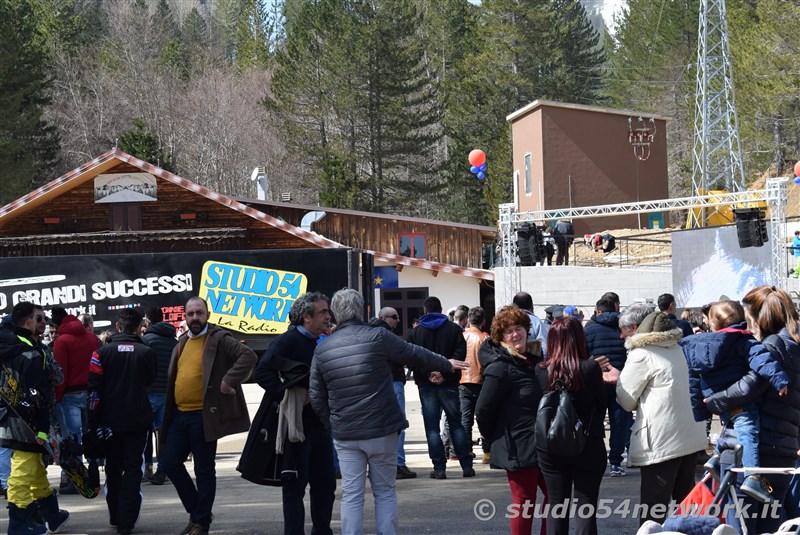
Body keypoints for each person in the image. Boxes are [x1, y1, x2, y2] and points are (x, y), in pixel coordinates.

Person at [310, 289, 468, 535]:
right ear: (362, 309)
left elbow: (317, 395)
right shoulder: (378, 337)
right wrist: (446, 364)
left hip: (346, 433)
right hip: (382, 428)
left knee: (352, 494)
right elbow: (414, 353)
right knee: (384, 491)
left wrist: (332, 424)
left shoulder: (323, 349)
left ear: (335, 314)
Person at [704, 286, 800, 533]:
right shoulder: (795, 345)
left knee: (741, 526)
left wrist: (715, 400)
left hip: (750, 455)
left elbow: (747, 388)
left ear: (758, 317)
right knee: (771, 526)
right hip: (782, 454)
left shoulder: (769, 347)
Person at [160, 297, 258, 535]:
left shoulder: (218, 338)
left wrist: (228, 381)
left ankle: (200, 523)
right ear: (185, 315)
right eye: (191, 313)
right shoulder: (181, 343)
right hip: (179, 416)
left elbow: (249, 356)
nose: (195, 317)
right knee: (168, 463)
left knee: (204, 470)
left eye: (199, 313)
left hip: (204, 417)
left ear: (207, 314)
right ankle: (199, 512)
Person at [681, 299, 789, 503]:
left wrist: (701, 410)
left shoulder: (699, 345)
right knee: (749, 433)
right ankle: (752, 476)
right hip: (740, 402)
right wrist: (779, 379)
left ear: (713, 324)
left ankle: (716, 458)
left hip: (715, 399)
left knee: (730, 427)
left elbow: (694, 380)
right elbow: (762, 359)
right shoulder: (742, 340)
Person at [605, 311, 707, 524]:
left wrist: (619, 379)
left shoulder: (641, 353)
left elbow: (625, 401)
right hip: (689, 436)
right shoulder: (681, 348)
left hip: (661, 441)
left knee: (653, 510)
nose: (621, 337)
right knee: (686, 505)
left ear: (637, 329)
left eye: (623, 331)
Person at [253, 292, 336, 535]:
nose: (328, 316)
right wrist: (292, 397)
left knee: (325, 485)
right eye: (322, 312)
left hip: (320, 426)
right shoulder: (287, 341)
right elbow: (262, 373)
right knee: (295, 486)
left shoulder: (319, 340)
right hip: (296, 428)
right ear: (306, 317)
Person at [475, 306, 548, 535]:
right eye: (509, 331)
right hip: (518, 443)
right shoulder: (500, 367)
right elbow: (483, 409)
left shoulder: (536, 359)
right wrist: (495, 437)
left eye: (519, 328)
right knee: (524, 502)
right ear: (500, 337)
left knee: (556, 497)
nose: (515, 334)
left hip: (545, 442)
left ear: (527, 330)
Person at [0, 302, 69, 535]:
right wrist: (40, 429)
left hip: (10, 416)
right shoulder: (32, 352)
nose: (44, 323)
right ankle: (19, 524)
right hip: (28, 423)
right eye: (39, 319)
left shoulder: (10, 346)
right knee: (21, 473)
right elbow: (37, 393)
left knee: (36, 470)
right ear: (29, 321)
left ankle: (52, 514)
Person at [88, 307, 157, 534]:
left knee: (113, 468)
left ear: (118, 326)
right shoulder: (146, 352)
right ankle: (126, 521)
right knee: (132, 468)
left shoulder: (101, 353)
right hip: (138, 419)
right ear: (139, 328)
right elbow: (149, 381)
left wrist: (93, 421)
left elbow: (94, 389)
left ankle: (117, 516)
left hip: (110, 422)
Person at [535, 316, 606, 535]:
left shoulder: (540, 370)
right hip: (588, 442)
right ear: (579, 338)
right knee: (586, 506)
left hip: (551, 444)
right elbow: (601, 405)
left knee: (556, 505)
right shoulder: (590, 368)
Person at [407, 296, 473, 479]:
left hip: (426, 385)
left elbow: (411, 358)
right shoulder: (454, 329)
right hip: (450, 383)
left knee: (432, 427)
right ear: (441, 309)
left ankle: (439, 468)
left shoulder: (415, 332)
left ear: (425, 310)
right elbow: (460, 354)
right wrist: (444, 373)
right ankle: (466, 466)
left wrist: (429, 373)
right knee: (456, 424)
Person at [50, 306, 99, 493]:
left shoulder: (62, 341)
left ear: (57, 323)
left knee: (72, 438)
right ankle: (94, 470)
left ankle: (75, 479)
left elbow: (60, 374)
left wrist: (57, 397)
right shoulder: (91, 338)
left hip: (69, 395)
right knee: (90, 434)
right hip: (90, 392)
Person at [584, 297, 630, 477]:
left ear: (598, 311)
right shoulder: (624, 327)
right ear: (616, 307)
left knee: (596, 421)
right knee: (619, 423)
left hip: (597, 381)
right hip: (621, 380)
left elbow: (584, 355)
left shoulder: (589, 328)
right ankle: (616, 463)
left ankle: (595, 460)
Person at [368, 307, 416, 479]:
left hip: (375, 384)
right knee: (398, 425)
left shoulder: (368, 334)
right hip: (392, 381)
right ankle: (397, 464)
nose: (397, 320)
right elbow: (405, 355)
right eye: (394, 317)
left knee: (377, 425)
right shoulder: (387, 336)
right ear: (383, 317)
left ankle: (379, 465)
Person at [142, 305, 178, 485]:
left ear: (148, 320)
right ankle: (163, 469)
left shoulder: (146, 340)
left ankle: (147, 468)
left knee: (145, 434)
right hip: (167, 392)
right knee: (163, 434)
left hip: (148, 392)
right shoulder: (174, 341)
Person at [460, 307, 490, 463]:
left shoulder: (461, 336)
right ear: (483, 321)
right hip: (482, 382)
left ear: (468, 320)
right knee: (484, 418)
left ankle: (466, 453)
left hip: (463, 380)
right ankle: (487, 452)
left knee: (466, 420)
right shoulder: (485, 339)